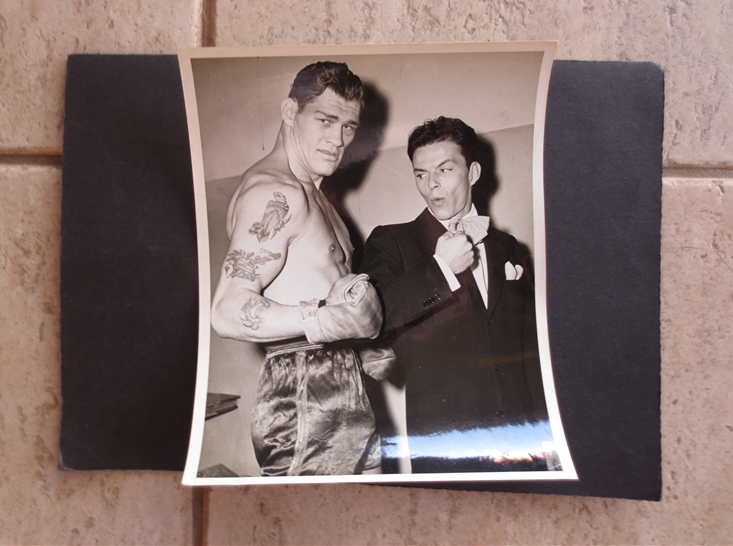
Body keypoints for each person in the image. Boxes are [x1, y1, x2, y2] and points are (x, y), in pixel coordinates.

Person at [210, 61, 383, 476]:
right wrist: (326, 320)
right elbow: (227, 310)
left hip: (339, 381)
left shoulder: (316, 195)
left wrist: (365, 347)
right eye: (325, 120)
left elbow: (323, 302)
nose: (339, 139)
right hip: (303, 392)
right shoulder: (276, 192)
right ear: (290, 112)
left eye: (349, 126)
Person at [360, 116, 549, 474]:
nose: (432, 185)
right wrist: (442, 271)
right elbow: (376, 316)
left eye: (445, 170)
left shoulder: (507, 246)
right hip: (446, 442)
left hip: (520, 440)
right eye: (420, 174)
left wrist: (545, 434)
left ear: (473, 172)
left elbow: (528, 352)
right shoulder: (391, 242)